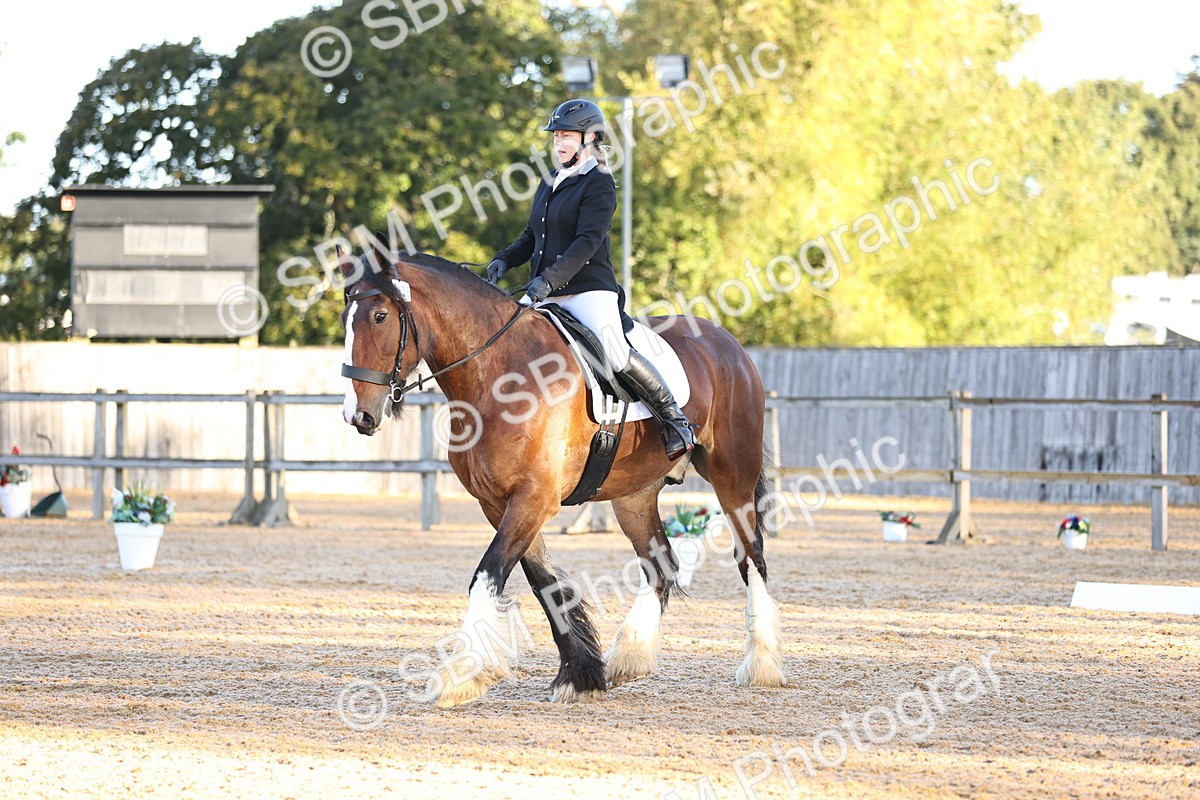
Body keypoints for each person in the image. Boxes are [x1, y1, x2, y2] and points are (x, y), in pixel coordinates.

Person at [486, 99, 696, 460]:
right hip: (546, 291)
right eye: (556, 137)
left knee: (614, 353)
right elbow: (532, 235)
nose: (559, 144)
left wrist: (548, 281)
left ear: (590, 137)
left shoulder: (599, 183)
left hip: (588, 290)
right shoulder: (551, 180)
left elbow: (587, 242)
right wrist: (505, 259)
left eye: (566, 136)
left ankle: (674, 420)